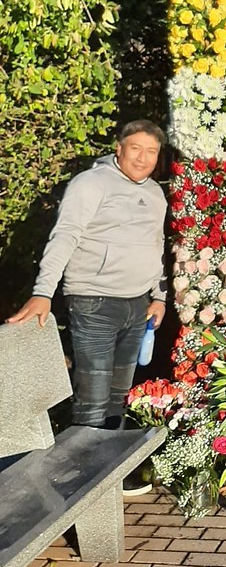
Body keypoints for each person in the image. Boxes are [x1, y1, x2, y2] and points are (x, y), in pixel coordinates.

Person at [6, 121, 168, 438]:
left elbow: (156, 244)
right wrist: (43, 293)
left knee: (118, 401)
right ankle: (83, 475)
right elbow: (65, 236)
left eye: (151, 151)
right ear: (119, 149)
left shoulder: (154, 193)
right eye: (135, 148)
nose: (142, 158)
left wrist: (159, 296)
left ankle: (109, 480)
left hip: (137, 308)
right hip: (95, 305)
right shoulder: (91, 183)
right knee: (92, 404)